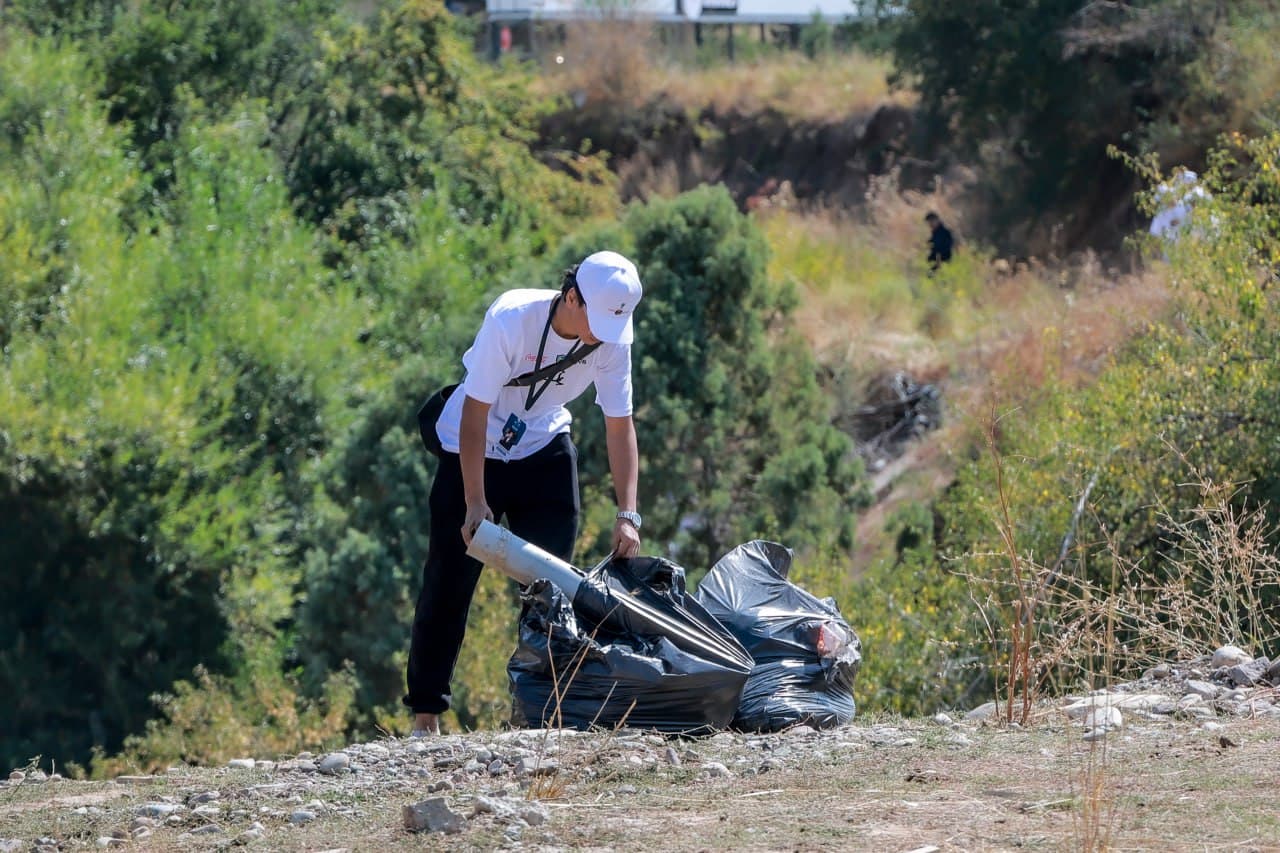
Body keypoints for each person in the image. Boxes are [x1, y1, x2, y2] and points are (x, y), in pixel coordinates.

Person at [404, 250, 645, 736]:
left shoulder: (612, 339)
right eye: (595, 320)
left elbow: (619, 426)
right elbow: (475, 411)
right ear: (572, 296)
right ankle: (426, 716)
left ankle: (543, 714)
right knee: (448, 583)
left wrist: (628, 513)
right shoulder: (512, 317)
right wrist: (475, 499)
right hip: (471, 449)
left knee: (552, 587)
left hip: (542, 447)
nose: (603, 335)